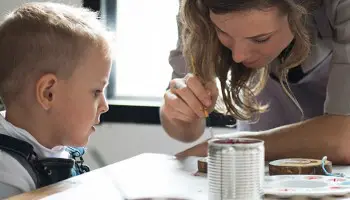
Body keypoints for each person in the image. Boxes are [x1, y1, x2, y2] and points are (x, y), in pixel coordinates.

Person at [160, 0, 350, 165]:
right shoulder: (200, 7)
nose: (238, 56)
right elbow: (184, 133)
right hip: (257, 166)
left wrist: (239, 146)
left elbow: (345, 140)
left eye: (261, 39)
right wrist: (181, 112)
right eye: (222, 31)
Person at [0, 2, 111, 198]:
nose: (104, 106)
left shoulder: (55, 146)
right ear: (48, 93)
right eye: (96, 91)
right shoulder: (7, 175)